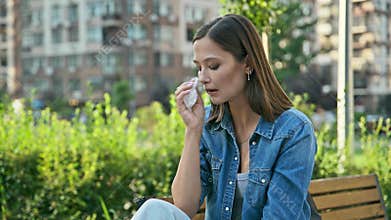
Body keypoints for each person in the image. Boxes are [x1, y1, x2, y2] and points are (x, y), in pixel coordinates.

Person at [132, 14, 317, 220]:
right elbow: (184, 206)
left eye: (213, 66)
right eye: (199, 67)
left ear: (247, 63)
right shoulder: (209, 124)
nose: (203, 77)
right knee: (153, 210)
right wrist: (193, 130)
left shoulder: (293, 129)